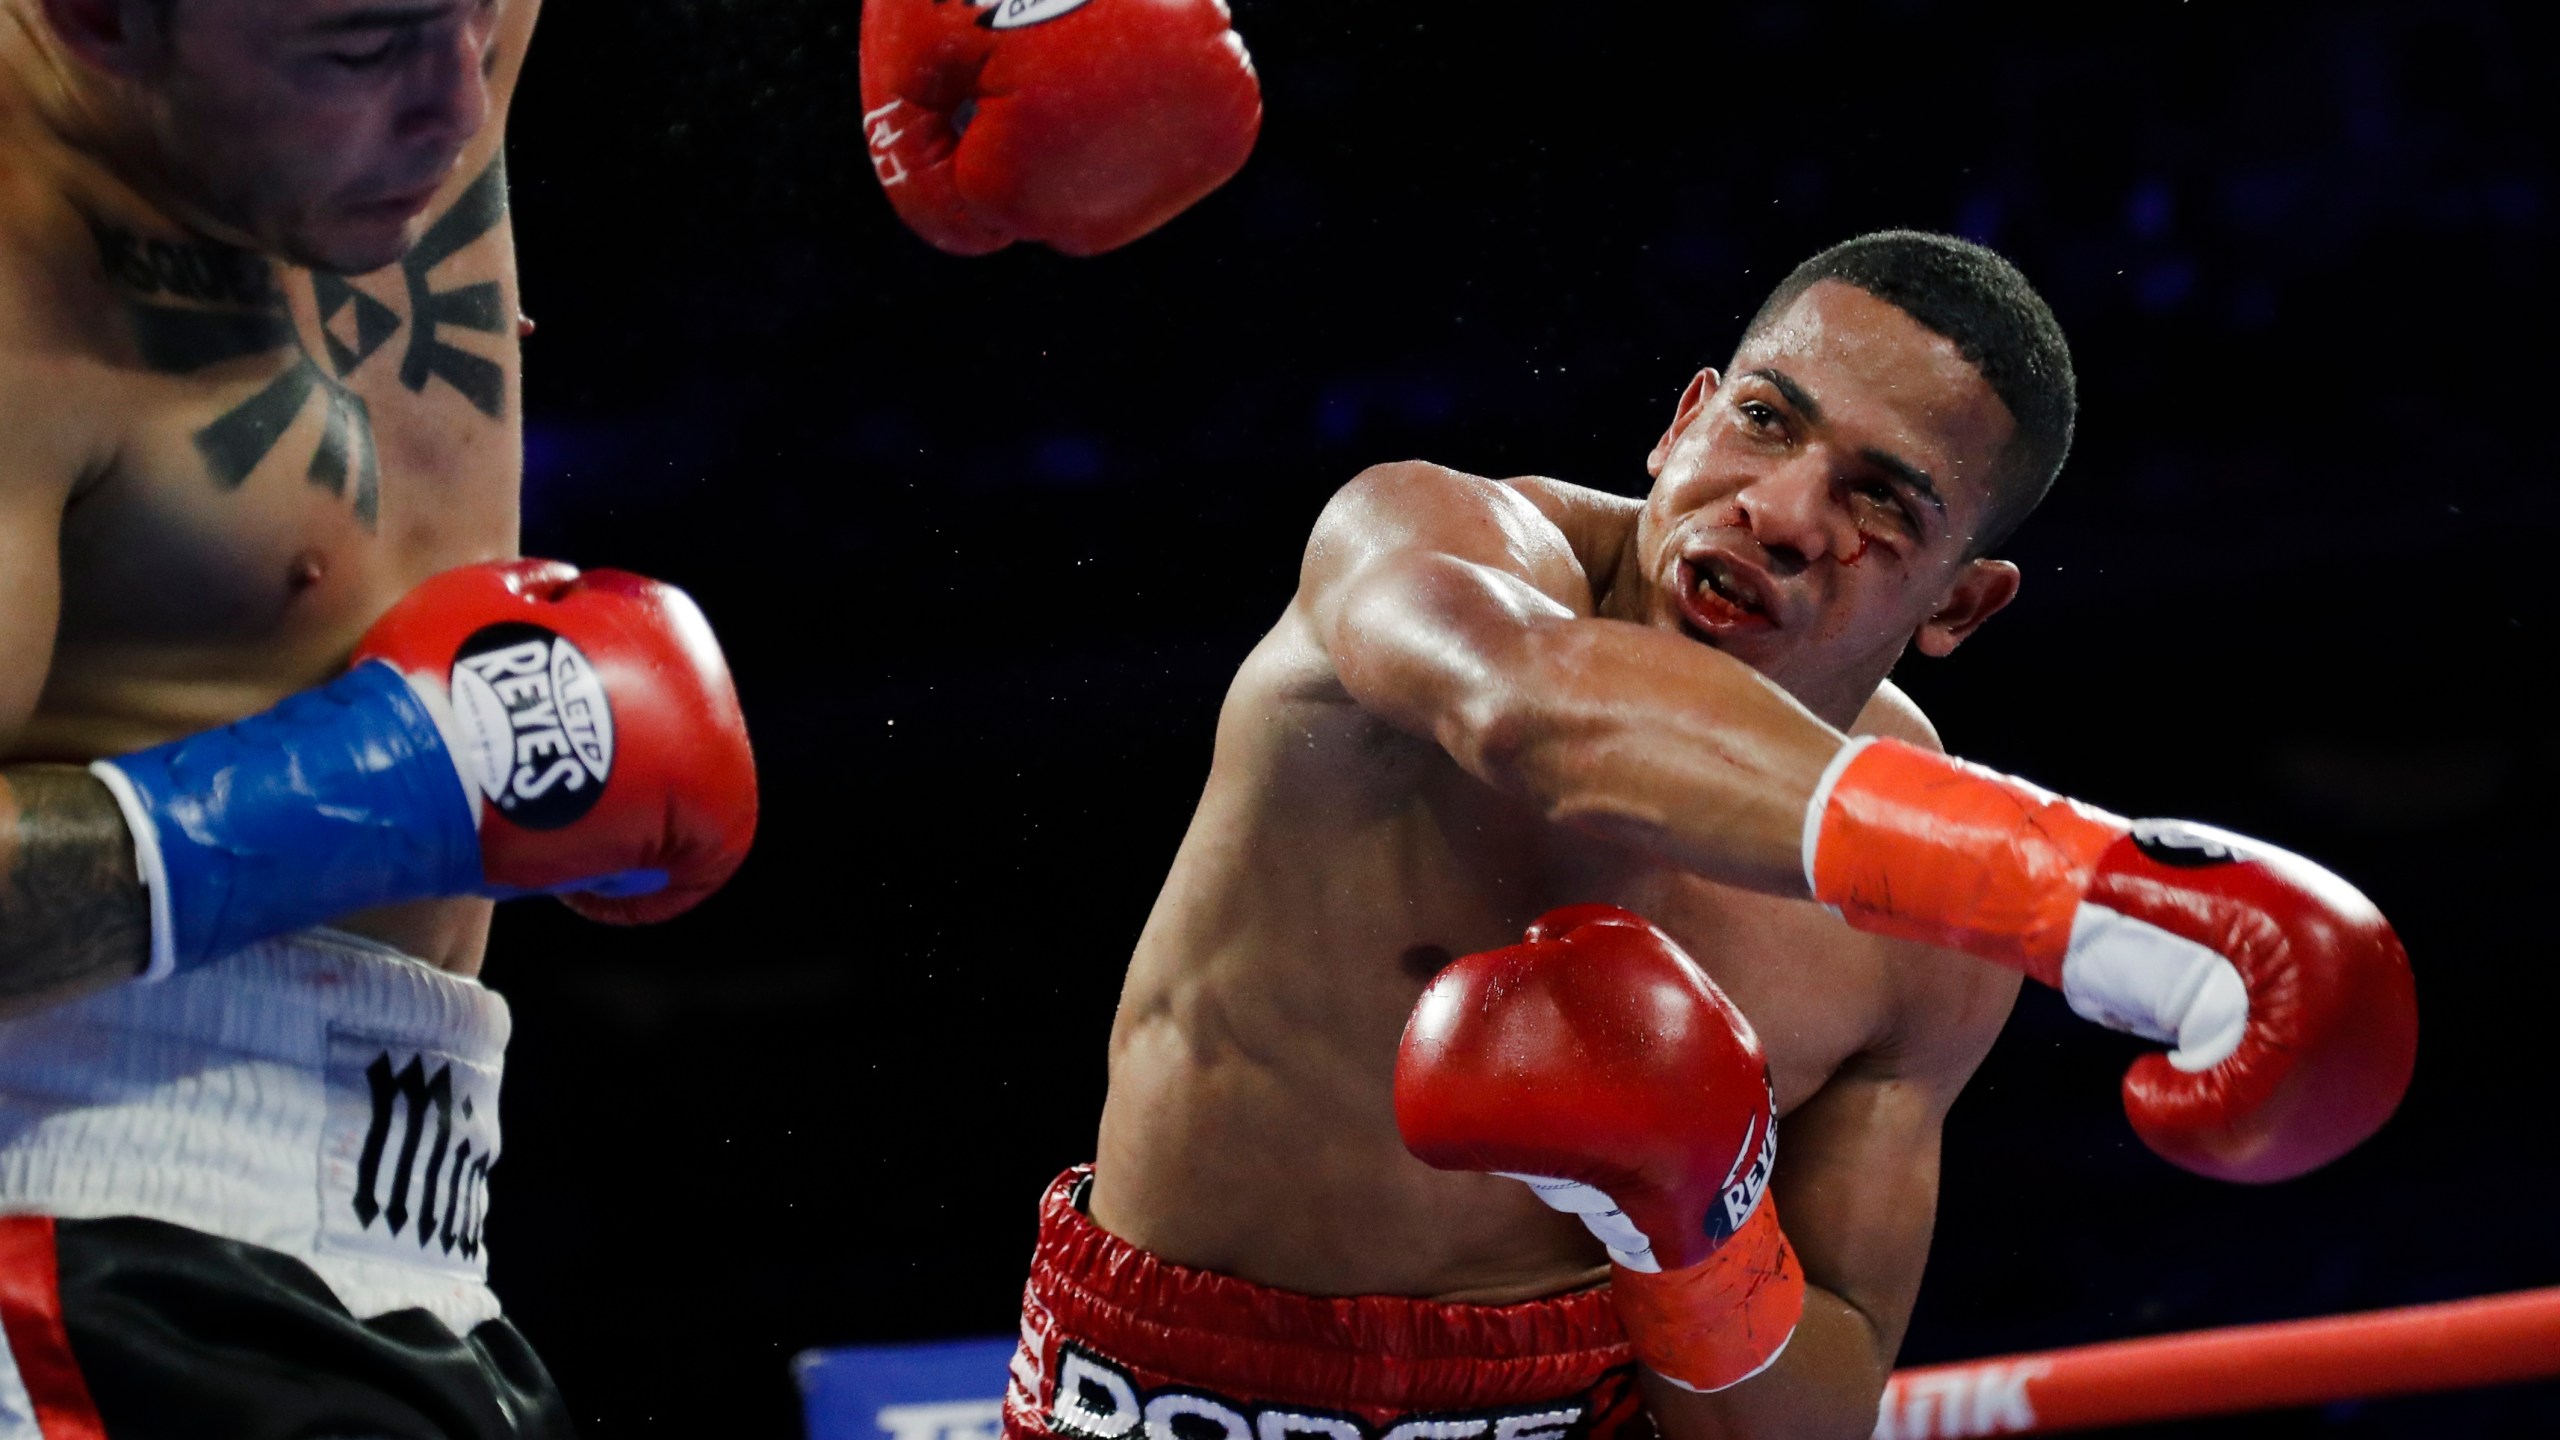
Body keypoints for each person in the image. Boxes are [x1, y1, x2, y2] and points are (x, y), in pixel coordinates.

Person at [1003, 232, 2414, 1440]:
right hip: (1169, 1394)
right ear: (1682, 422)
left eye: (1881, 499)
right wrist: (2074, 896)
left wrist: (1702, 1237)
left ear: (1961, 605)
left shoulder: (1917, 943)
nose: (1786, 512)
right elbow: (1533, 714)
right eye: (1764, 421)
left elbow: (1807, 1416)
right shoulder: (1427, 545)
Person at [0, 2, 760, 1434]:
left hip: (416, 1249)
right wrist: (367, 794)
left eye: (472, 20)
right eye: (360, 52)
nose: (457, 106)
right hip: (76, 1231)